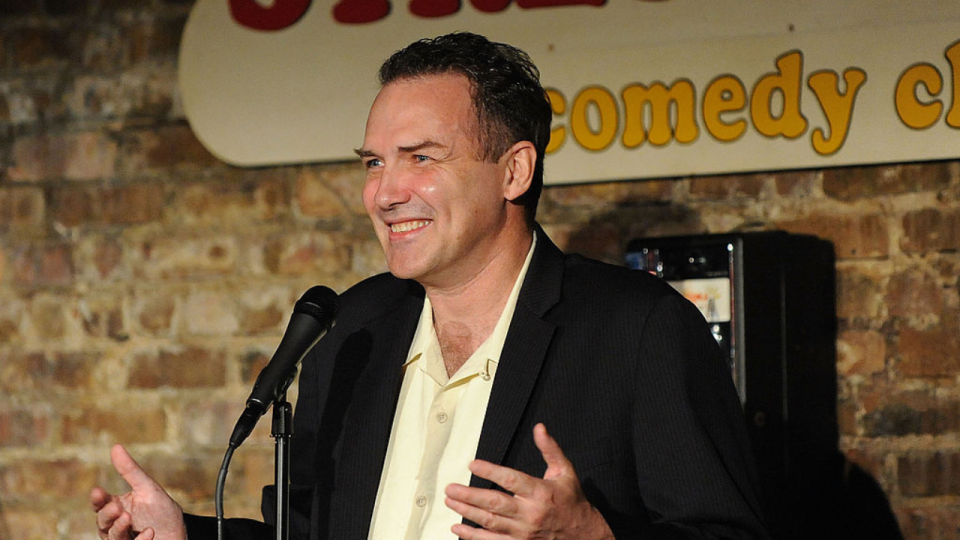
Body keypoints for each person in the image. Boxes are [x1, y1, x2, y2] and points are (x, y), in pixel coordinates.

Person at [91, 32, 769, 540]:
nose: (385, 192)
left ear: (513, 172)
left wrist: (594, 536)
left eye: (421, 158)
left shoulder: (638, 329)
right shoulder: (350, 328)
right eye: (375, 162)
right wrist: (189, 533)